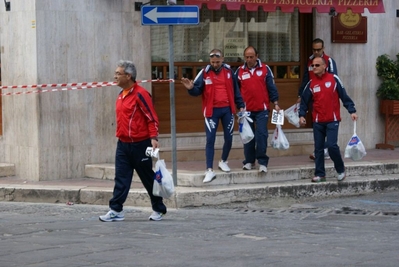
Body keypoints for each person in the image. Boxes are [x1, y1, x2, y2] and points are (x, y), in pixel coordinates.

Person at [99, 60, 167, 222]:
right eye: (115, 73)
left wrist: (154, 138)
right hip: (123, 144)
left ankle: (159, 208)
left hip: (140, 144)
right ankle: (116, 209)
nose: (115, 76)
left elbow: (151, 117)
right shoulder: (121, 95)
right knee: (121, 177)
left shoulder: (140, 94)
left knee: (147, 178)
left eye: (118, 74)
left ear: (128, 76)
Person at [181, 49, 245, 183]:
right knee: (210, 139)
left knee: (229, 138)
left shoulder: (229, 72)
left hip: (227, 110)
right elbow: (197, 90)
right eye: (213, 62)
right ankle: (209, 170)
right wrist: (190, 88)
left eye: (217, 61)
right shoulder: (204, 72)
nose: (215, 64)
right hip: (211, 112)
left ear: (222, 59)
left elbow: (236, 90)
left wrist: (241, 105)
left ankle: (223, 161)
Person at [299, 57, 358, 183]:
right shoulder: (311, 83)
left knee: (332, 146)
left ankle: (340, 170)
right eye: (313, 65)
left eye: (317, 65)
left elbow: (344, 95)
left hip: (333, 119)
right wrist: (302, 115)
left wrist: (352, 110)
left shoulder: (334, 79)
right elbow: (304, 101)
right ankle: (320, 174)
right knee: (318, 149)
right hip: (318, 121)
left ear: (324, 66)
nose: (314, 67)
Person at [235, 46, 280, 173]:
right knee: (248, 137)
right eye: (247, 57)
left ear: (257, 56)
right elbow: (235, 90)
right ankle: (249, 161)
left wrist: (275, 103)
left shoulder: (265, 69)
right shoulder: (239, 71)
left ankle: (262, 162)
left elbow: (271, 87)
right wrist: (238, 107)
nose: (249, 59)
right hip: (246, 111)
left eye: (251, 57)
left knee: (261, 135)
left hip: (262, 109)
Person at [297, 38, 338, 161]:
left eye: (318, 50)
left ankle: (324, 149)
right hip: (313, 98)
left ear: (323, 49)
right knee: (317, 126)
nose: (316, 52)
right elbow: (305, 80)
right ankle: (320, 150)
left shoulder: (329, 61)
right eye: (314, 50)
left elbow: (334, 80)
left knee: (326, 126)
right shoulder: (309, 62)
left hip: (327, 100)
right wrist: (300, 96)